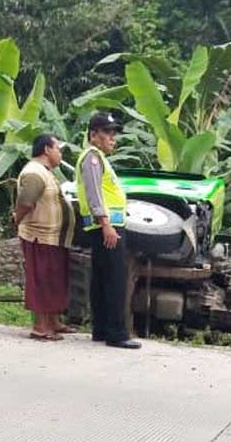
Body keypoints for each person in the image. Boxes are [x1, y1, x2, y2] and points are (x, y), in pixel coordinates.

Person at [75, 112, 141, 349]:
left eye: (114, 133)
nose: (113, 138)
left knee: (102, 279)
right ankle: (116, 332)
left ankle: (101, 329)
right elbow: (94, 194)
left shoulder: (97, 157)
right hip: (106, 227)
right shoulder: (92, 158)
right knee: (115, 279)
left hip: (102, 227)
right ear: (94, 135)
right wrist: (107, 225)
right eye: (107, 132)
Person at [14, 133, 76, 341]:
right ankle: (40, 327)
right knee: (42, 279)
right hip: (39, 236)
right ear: (47, 150)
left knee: (54, 279)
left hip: (53, 237)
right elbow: (26, 202)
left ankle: (54, 321)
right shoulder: (34, 173)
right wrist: (17, 219)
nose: (60, 153)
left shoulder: (46, 172)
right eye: (58, 148)